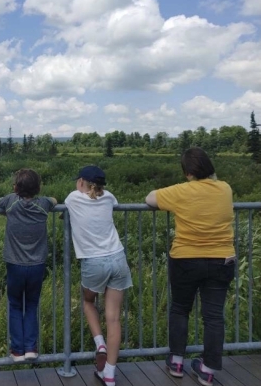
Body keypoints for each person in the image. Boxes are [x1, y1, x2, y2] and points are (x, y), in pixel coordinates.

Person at [145, 147, 235, 386]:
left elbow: (150, 198)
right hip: (221, 260)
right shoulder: (225, 188)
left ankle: (176, 361)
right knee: (214, 316)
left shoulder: (181, 191)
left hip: (186, 259)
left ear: (187, 172)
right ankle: (207, 370)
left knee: (180, 309)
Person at [64, 165, 132, 386]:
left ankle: (99, 343)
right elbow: (109, 202)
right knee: (113, 318)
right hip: (118, 258)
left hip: (94, 261)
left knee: (87, 301)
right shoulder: (109, 197)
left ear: (82, 182)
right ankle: (109, 374)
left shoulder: (73, 198)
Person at [0, 168, 57, 362]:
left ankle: (17, 350)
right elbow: (54, 200)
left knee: (16, 305)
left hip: (14, 265)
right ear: (38, 188)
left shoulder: (11, 201)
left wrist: (9, 214)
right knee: (32, 304)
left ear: (16, 187)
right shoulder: (43, 204)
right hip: (37, 265)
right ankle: (31, 348)